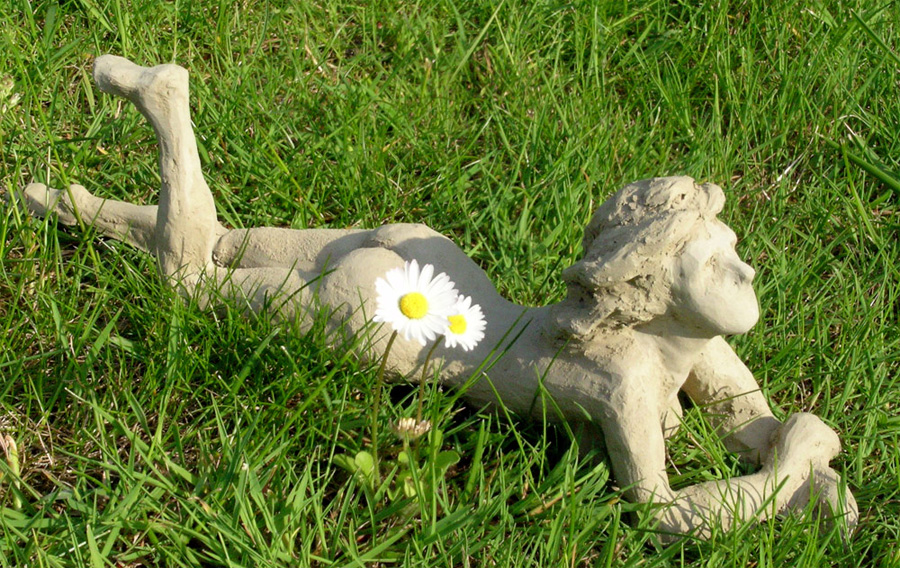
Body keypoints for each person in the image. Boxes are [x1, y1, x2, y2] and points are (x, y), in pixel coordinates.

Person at [21, 55, 857, 539]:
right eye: (716, 264)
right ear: (652, 289)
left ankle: (76, 208)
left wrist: (798, 470)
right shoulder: (628, 378)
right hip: (403, 325)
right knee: (194, 282)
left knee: (228, 243)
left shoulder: (694, 344)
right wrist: (783, 473)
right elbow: (661, 513)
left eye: (732, 251)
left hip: (438, 264)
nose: (747, 270)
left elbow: (746, 420)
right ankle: (169, 111)